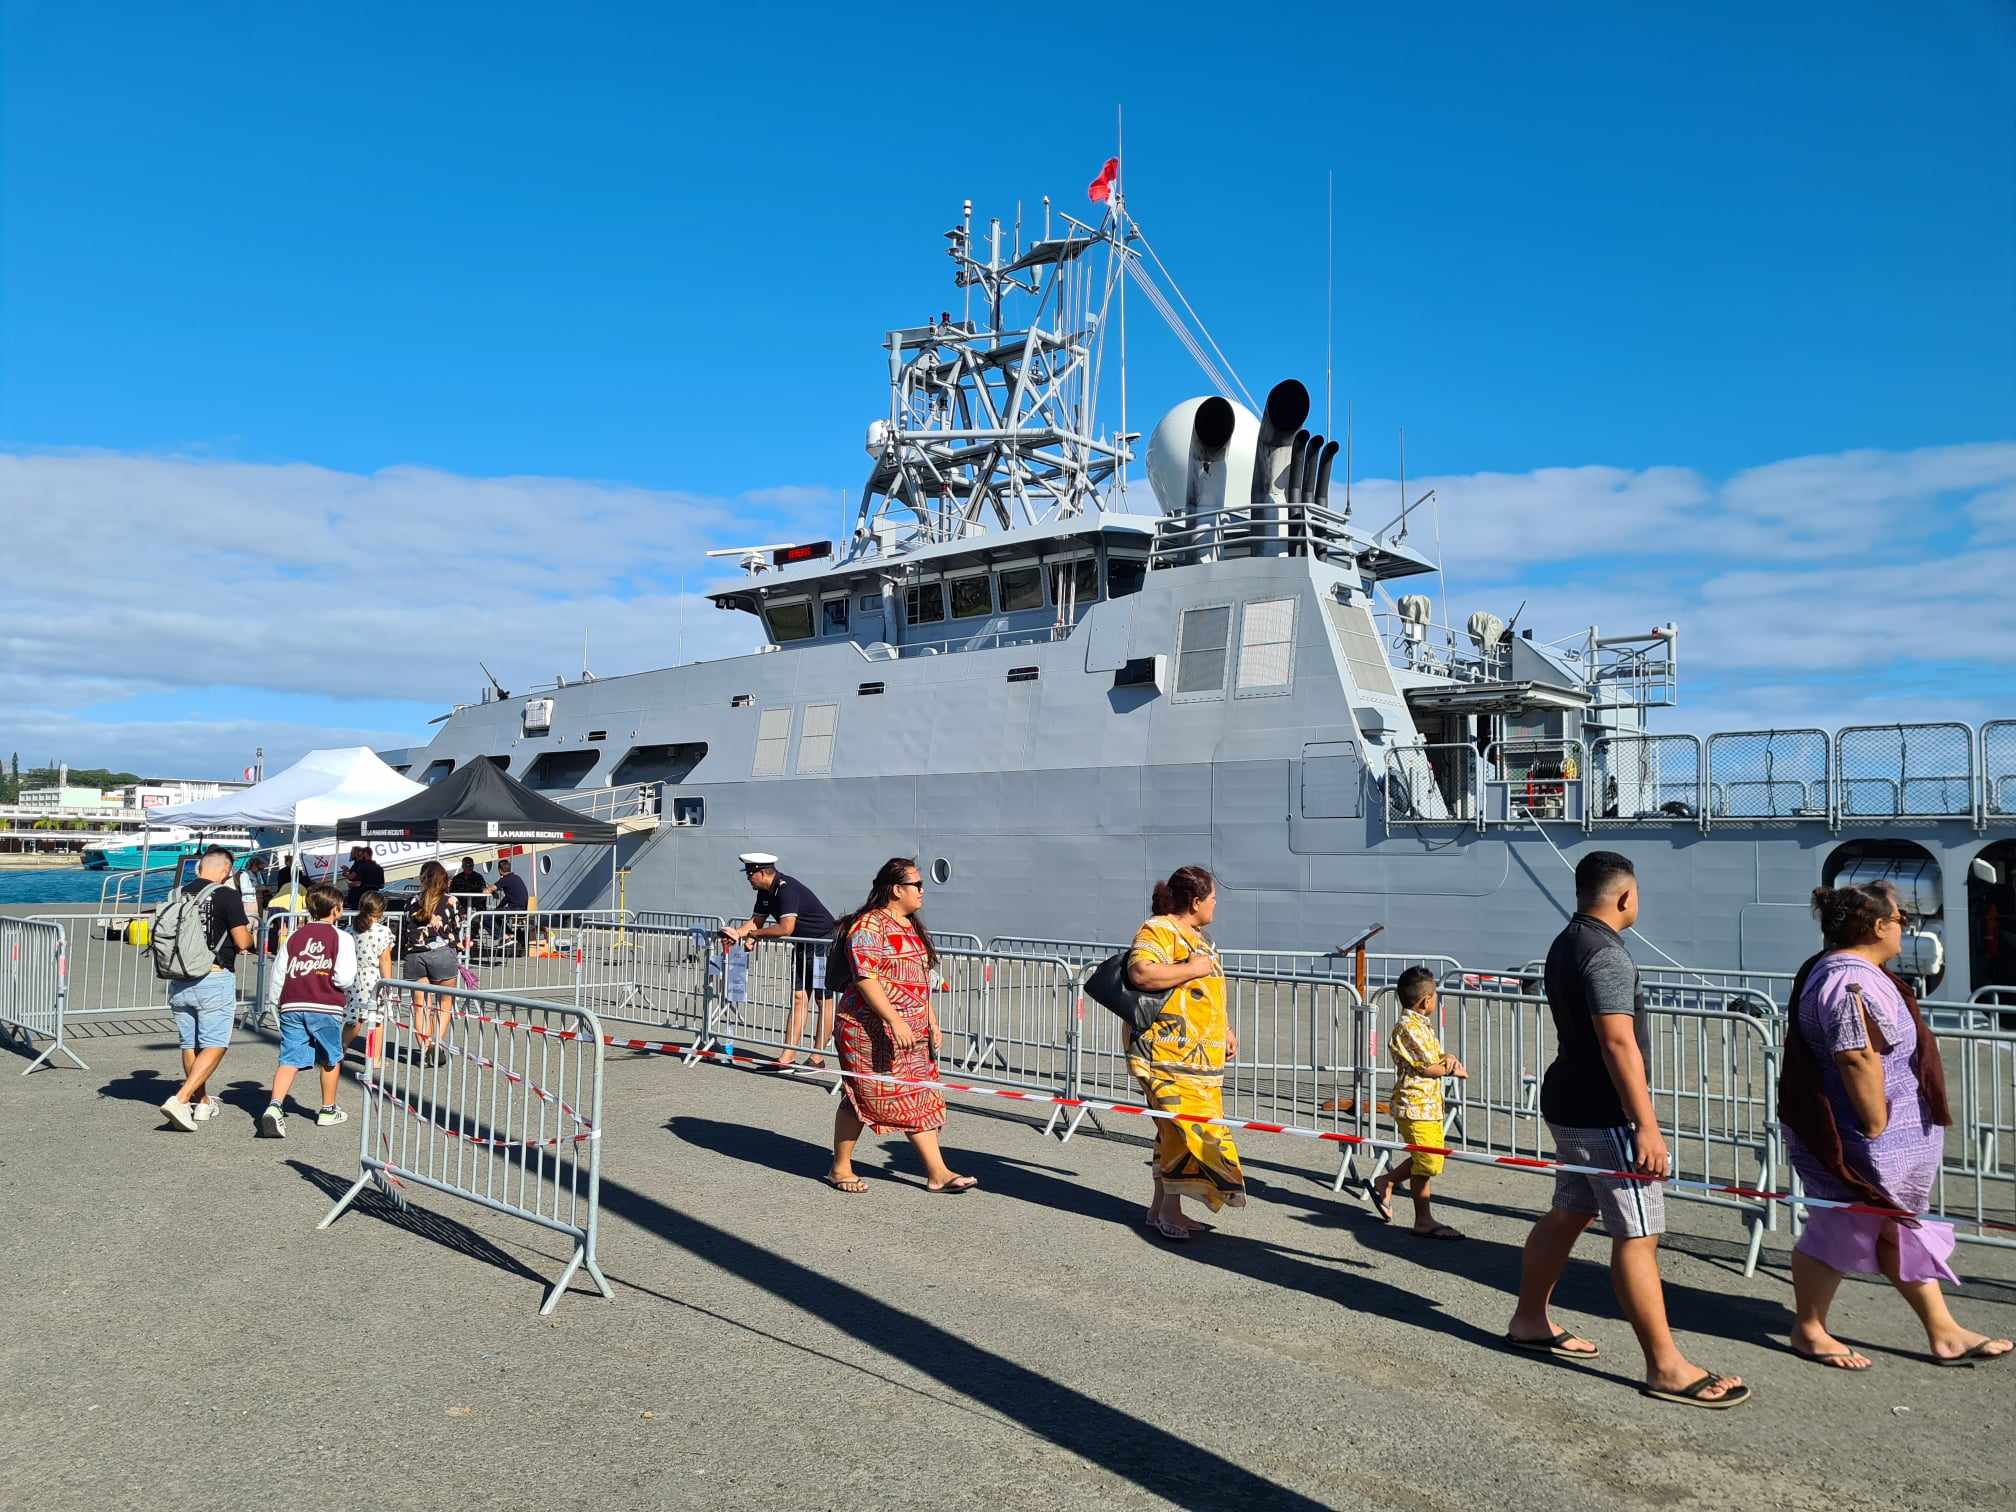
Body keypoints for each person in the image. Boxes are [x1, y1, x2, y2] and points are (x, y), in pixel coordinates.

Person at [1505, 851, 1749, 1409]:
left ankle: (1529, 1319)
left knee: (1569, 1210)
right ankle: (1665, 1366)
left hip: (1566, 1100)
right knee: (1637, 1236)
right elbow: (1619, 1042)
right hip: (1606, 1113)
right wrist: (1646, 1126)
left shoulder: (1565, 942)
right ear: (1624, 897)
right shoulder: (1608, 954)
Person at [1778, 883, 2011, 1370]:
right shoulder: (1848, 982)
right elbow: (1856, 1055)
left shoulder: (1857, 973)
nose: (1905, 925)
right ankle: (1810, 1329)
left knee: (1896, 1230)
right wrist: (1876, 1121)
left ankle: (1943, 1331)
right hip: (1859, 1142)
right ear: (1878, 926)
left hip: (1880, 1144)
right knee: (1837, 1228)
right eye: (1899, 918)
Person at [823, 857, 975, 1195]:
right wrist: (893, 1020)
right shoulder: (868, 926)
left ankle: (937, 1172)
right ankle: (840, 1167)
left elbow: (920, 980)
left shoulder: (909, 925)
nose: (922, 891)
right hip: (867, 1031)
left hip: (912, 1033)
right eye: (917, 885)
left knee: (917, 1094)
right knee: (860, 1096)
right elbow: (866, 979)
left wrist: (932, 1021)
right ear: (896, 889)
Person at [1125, 864, 1243, 1240]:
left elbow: (1208, 992)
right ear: (1195, 902)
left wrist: (1223, 1028)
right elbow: (1141, 973)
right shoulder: (1158, 929)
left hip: (1198, 1059)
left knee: (1169, 1131)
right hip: (1165, 1054)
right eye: (1212, 900)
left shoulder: (1200, 937)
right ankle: (1169, 1211)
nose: (1214, 907)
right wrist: (1192, 968)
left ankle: (1161, 1208)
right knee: (1181, 1131)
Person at [158, 846, 255, 1132]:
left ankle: (201, 1104)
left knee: (190, 1044)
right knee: (215, 1043)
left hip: (179, 975)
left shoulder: (177, 894)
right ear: (227, 871)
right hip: (213, 975)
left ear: (199, 867)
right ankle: (182, 1098)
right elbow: (242, 942)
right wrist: (251, 930)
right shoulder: (228, 895)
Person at [1367, 967, 1468, 1240]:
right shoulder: (1407, 1028)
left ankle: (1386, 1181)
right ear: (1426, 1000)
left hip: (1429, 1104)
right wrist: (1450, 1068)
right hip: (1414, 1105)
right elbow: (1427, 1067)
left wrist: (1447, 1058)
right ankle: (1423, 1219)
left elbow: (1435, 1057)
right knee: (1429, 1163)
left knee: (1429, 1157)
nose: (1436, 1000)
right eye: (1434, 995)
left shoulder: (1421, 1025)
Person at [721, 852, 837, 1069]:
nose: (747, 878)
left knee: (823, 1000)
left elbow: (786, 928)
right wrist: (738, 933)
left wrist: (756, 936)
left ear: (763, 873)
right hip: (803, 945)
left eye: (750, 873)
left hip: (823, 945)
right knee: (799, 998)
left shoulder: (786, 889)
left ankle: (817, 1058)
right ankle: (787, 1056)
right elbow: (756, 922)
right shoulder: (765, 892)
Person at [257, 883, 356, 1137]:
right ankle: (327, 1109)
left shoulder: (294, 937)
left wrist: (276, 1005)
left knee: (289, 1058)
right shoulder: (341, 938)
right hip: (324, 1004)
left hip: (292, 1003)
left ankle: (275, 1106)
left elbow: (279, 974)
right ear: (335, 910)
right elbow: (345, 978)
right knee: (330, 1058)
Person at [401, 860, 464, 1065]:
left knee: (420, 1006)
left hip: (414, 955)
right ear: (444, 880)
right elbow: (456, 928)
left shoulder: (411, 901)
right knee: (444, 1003)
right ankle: (436, 1044)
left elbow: (406, 926)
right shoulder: (451, 901)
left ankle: (425, 1046)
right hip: (441, 954)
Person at [345, 890, 396, 1058]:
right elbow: (385, 960)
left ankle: (339, 1050)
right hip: (374, 978)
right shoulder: (383, 931)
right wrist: (388, 983)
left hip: (354, 976)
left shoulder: (350, 928)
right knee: (376, 1020)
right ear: (380, 911)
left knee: (354, 1018)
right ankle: (374, 1058)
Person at [341, 845, 385, 910]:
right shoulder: (379, 868)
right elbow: (382, 885)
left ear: (365, 854)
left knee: (357, 916)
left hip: (359, 898)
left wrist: (349, 883)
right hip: (373, 898)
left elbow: (357, 882)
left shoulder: (362, 867)